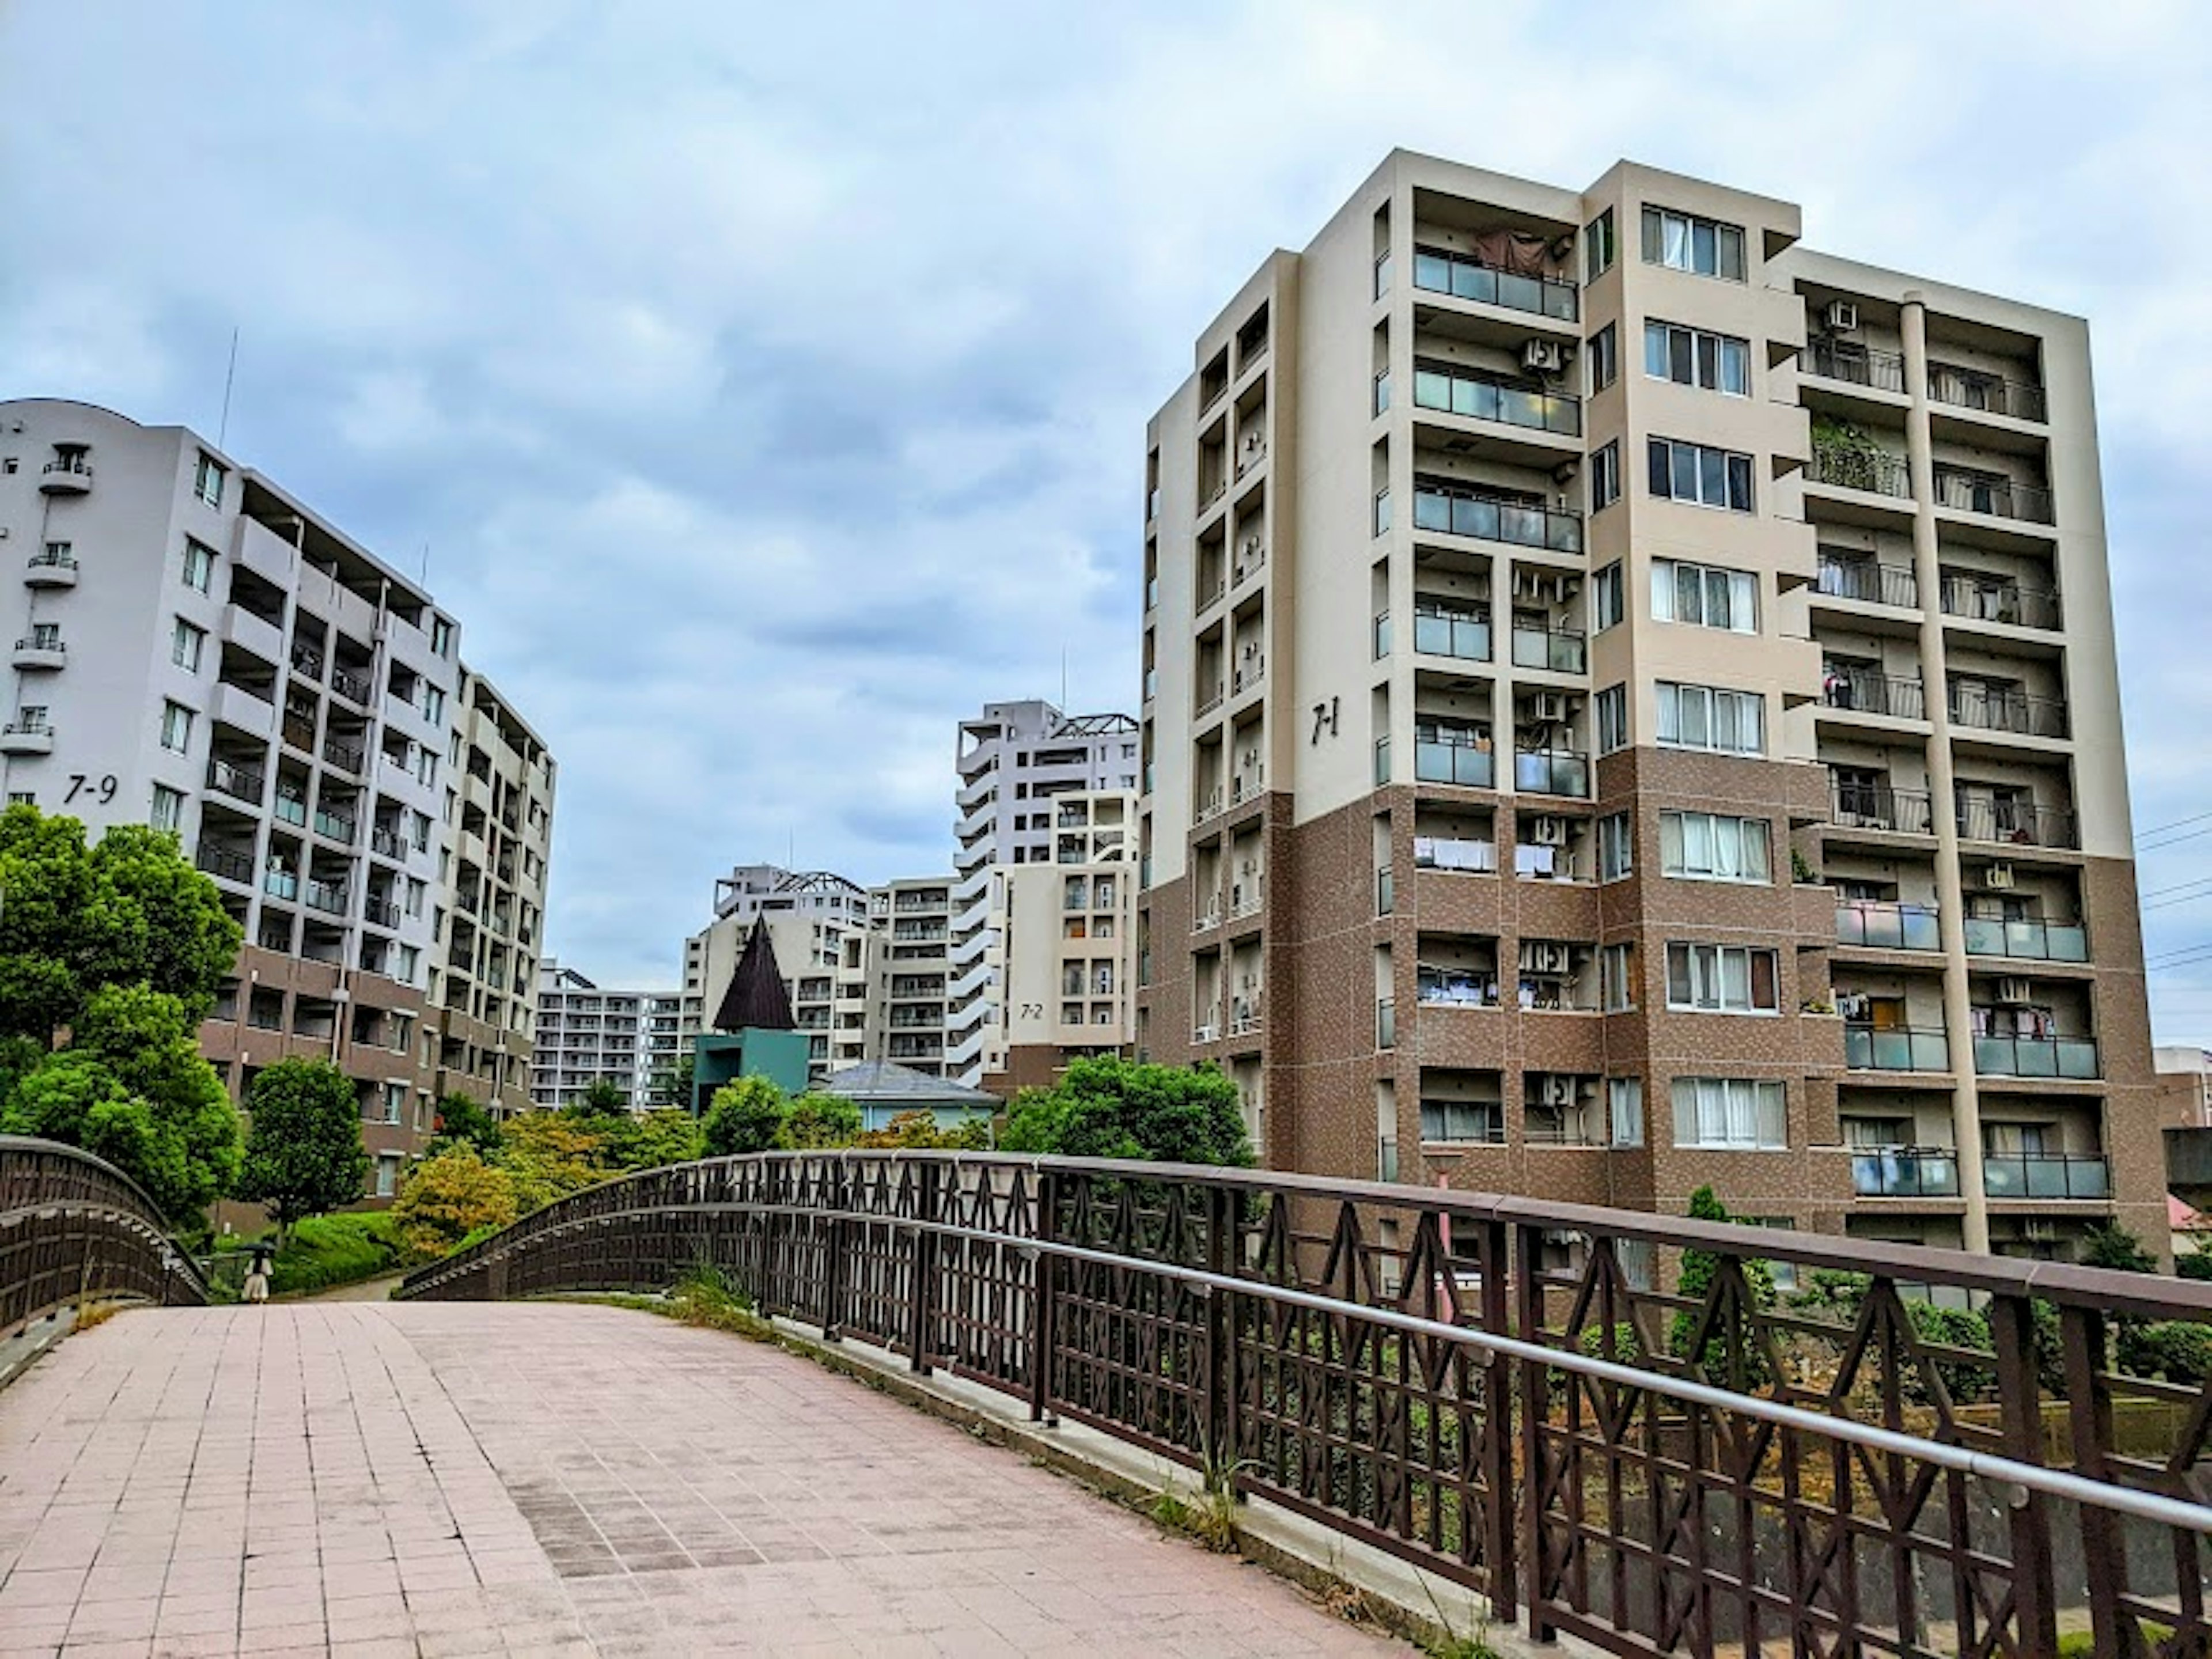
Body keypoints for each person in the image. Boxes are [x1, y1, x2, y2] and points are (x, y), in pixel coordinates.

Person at [243, 1242, 274, 1306]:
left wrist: (247, 1273)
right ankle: (260, 1301)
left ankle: (252, 1300)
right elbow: (269, 1272)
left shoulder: (252, 1261)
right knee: (261, 1290)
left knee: (251, 1289)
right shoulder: (265, 1261)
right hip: (261, 1277)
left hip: (253, 1277)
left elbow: (248, 1270)